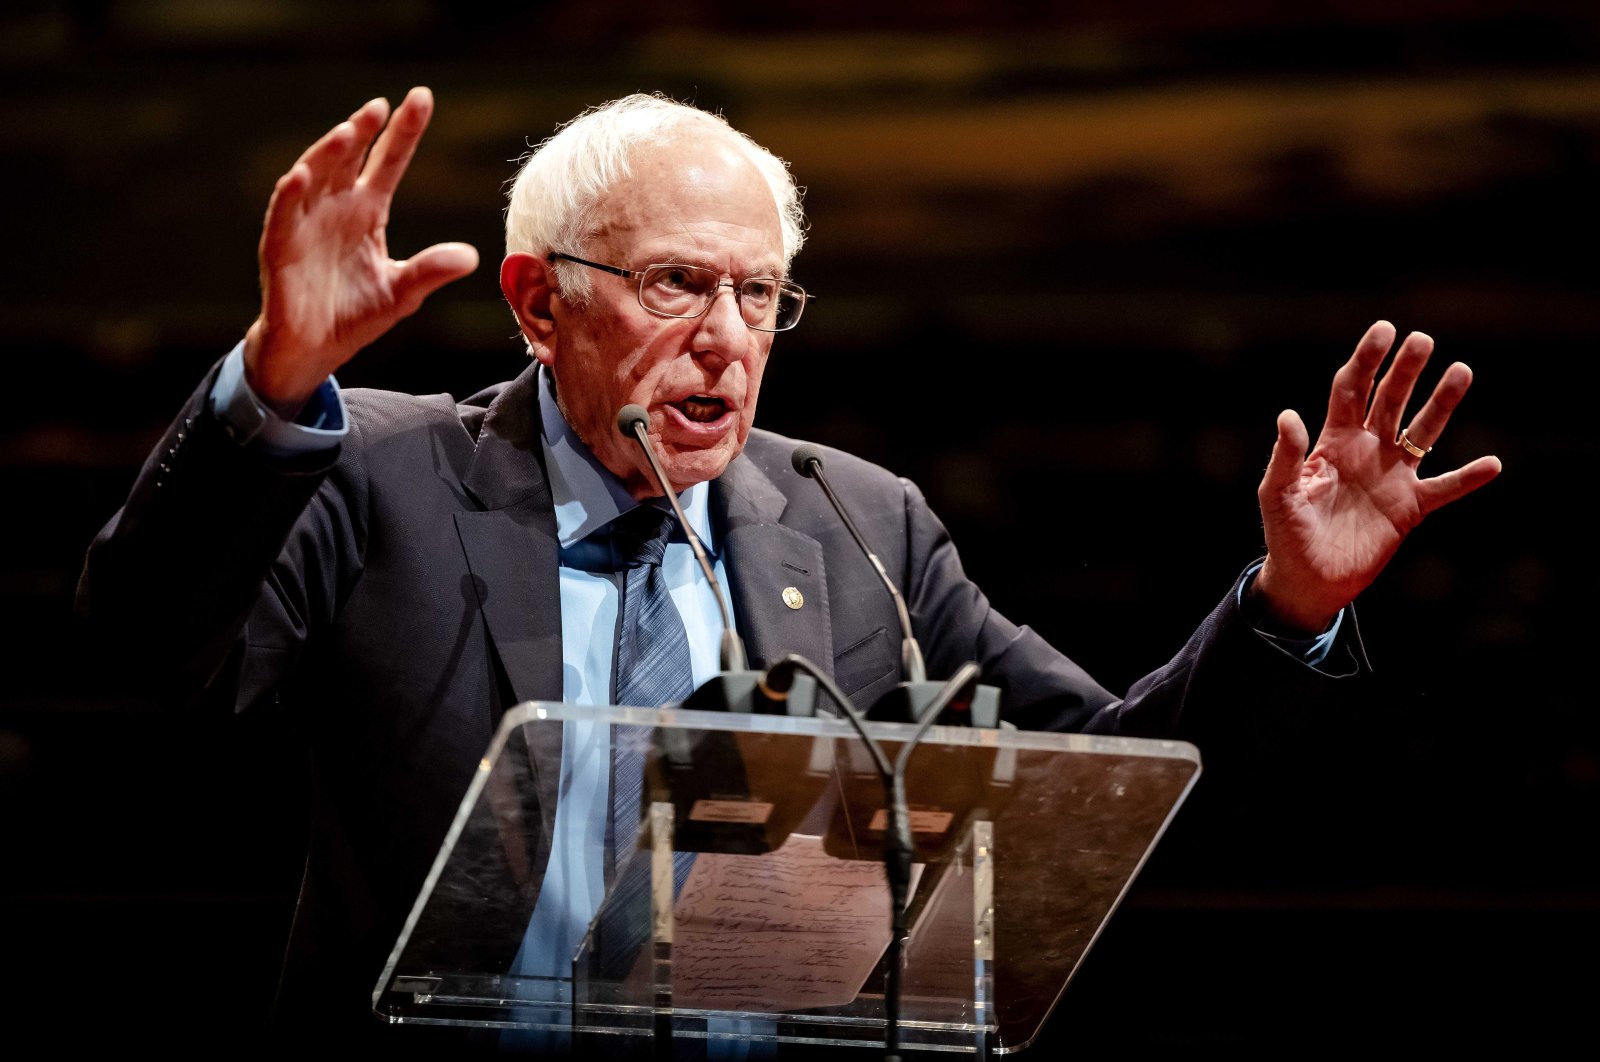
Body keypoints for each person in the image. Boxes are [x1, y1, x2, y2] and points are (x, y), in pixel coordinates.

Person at [77, 86, 1500, 1049]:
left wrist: (1291, 606)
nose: (728, 335)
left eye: (758, 292)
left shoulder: (854, 521)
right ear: (537, 302)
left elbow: (1111, 796)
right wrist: (268, 389)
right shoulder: (377, 473)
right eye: (675, 282)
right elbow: (152, 651)